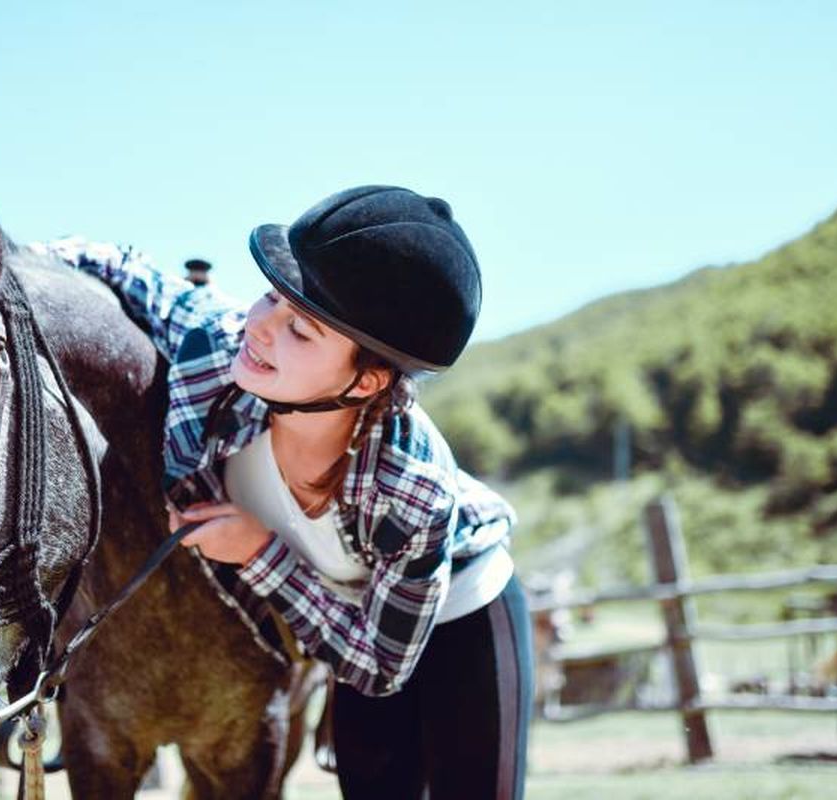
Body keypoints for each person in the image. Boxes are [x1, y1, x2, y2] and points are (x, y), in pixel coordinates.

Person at [33, 185, 533, 799]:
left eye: (301, 329)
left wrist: (257, 553)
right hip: (339, 613)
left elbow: (378, 666)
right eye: (271, 294)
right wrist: (11, 265)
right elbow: (119, 267)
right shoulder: (218, 343)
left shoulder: (412, 486)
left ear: (366, 381)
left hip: (461, 603)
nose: (261, 327)